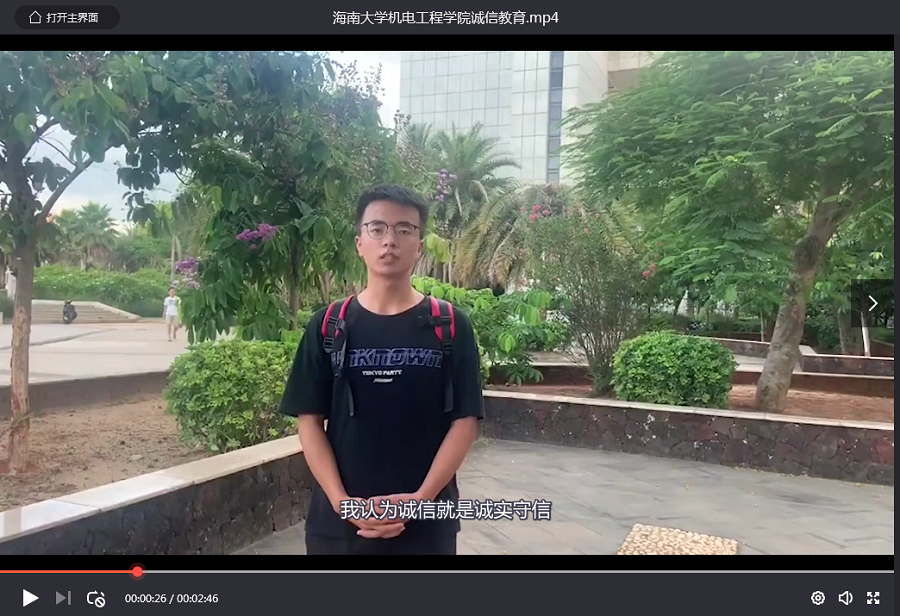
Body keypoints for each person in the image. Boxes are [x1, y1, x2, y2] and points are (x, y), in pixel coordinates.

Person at [279, 184, 484, 555]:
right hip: (338, 528)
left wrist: (419, 500)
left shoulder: (451, 325)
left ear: (419, 246)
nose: (390, 240)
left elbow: (465, 422)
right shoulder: (328, 324)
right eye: (377, 228)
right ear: (360, 242)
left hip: (426, 526)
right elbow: (309, 420)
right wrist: (343, 503)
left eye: (404, 229)